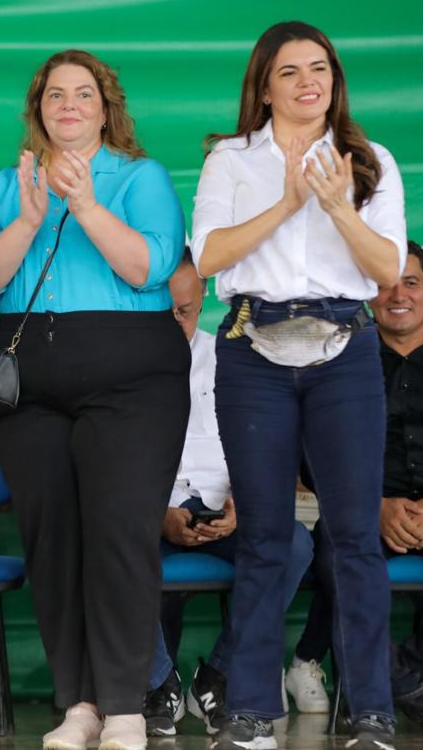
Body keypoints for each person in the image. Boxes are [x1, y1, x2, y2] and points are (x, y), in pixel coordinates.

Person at [0, 48, 189, 750]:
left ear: (105, 108)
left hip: (132, 376)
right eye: (55, 94)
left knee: (121, 534)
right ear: (38, 108)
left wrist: (85, 203)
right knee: (52, 540)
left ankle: (125, 707)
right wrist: (29, 219)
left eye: (83, 94)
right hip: (29, 378)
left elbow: (150, 267)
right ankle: (79, 704)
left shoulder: (140, 177)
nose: (69, 105)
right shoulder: (4, 186)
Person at [191, 21, 406, 750]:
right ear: (264, 86)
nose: (308, 81)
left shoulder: (369, 159)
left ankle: (371, 712)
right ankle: (252, 710)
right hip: (254, 351)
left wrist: (338, 203)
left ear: (334, 80)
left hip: (345, 352)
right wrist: (287, 201)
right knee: (263, 537)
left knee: (354, 537)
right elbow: (208, 256)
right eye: (290, 71)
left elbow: (386, 270)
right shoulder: (229, 159)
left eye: (320, 68)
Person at [141, 252, 315, 737]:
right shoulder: (122, 367)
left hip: (227, 510)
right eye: (163, 311)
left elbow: (268, 445)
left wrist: (245, 501)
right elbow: (108, 462)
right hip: (148, 513)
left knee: (293, 545)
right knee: (105, 545)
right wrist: (159, 514)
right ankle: (157, 683)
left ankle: (217, 675)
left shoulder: (233, 359)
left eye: (184, 311)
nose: (174, 322)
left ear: (203, 300)